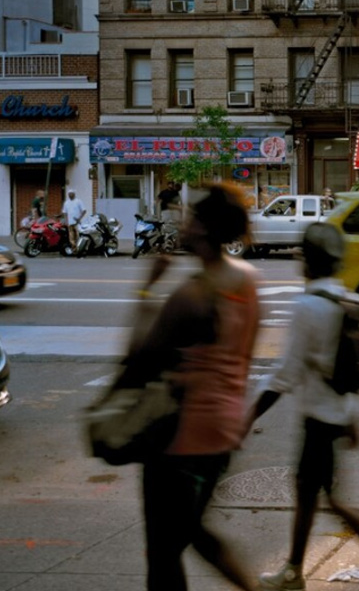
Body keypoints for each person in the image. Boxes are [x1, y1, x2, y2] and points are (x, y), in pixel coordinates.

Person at [248, 223, 359, 591]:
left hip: (319, 419)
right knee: (313, 493)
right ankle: (293, 570)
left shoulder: (308, 306)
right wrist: (355, 415)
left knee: (328, 498)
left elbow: (285, 374)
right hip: (337, 414)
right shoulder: (352, 302)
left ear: (305, 261)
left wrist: (247, 416)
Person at [114, 184, 261, 591]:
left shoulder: (191, 294)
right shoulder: (248, 280)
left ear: (204, 228)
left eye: (190, 215)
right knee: (191, 533)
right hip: (223, 430)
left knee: (162, 553)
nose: (183, 221)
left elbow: (136, 358)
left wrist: (146, 289)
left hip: (179, 438)